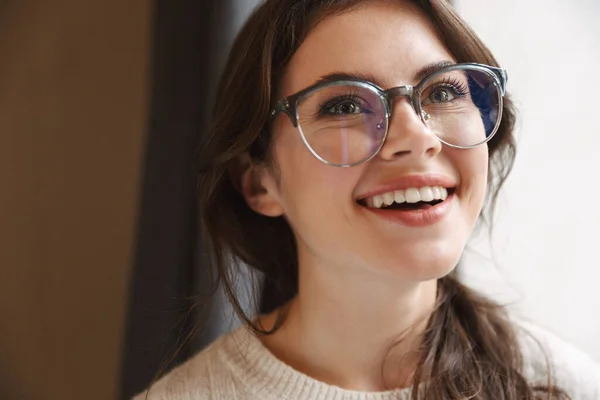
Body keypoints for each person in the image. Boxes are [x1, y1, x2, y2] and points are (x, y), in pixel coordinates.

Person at [136, 0, 600, 399]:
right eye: (344, 106)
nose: (416, 137)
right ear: (259, 184)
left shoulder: (568, 387)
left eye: (442, 91)